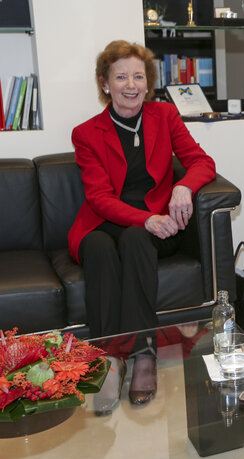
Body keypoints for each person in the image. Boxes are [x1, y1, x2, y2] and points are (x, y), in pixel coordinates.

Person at [69, 40, 215, 409]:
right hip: (104, 222)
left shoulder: (164, 117)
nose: (130, 84)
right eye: (121, 77)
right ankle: (108, 358)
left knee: (136, 239)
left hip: (155, 227)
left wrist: (183, 186)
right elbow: (99, 198)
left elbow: (202, 162)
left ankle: (143, 353)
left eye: (138, 76)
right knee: (100, 248)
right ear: (105, 84)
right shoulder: (86, 133)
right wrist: (145, 218)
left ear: (148, 83)